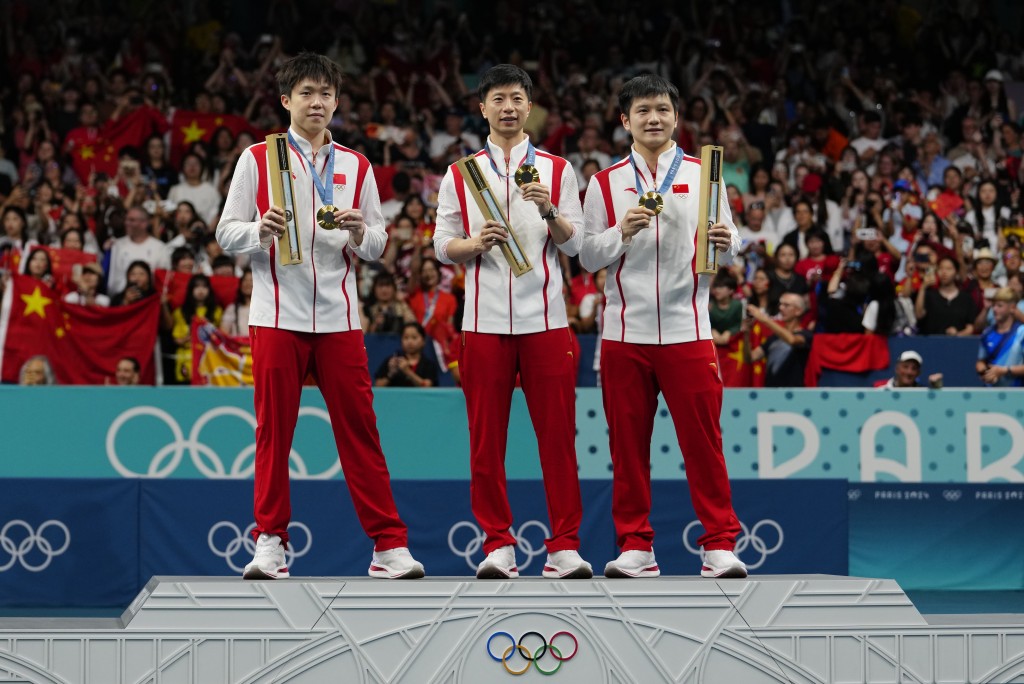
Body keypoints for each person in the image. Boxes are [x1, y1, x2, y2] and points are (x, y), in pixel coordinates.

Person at [216, 52, 424, 580]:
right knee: (274, 433)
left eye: (326, 94)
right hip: (276, 313)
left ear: (336, 102)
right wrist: (258, 230)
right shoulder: (257, 159)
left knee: (361, 432)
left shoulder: (356, 165)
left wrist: (359, 231)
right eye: (307, 93)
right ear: (286, 100)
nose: (317, 102)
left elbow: (378, 243)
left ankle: (388, 545)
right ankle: (269, 541)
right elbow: (225, 233)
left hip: (339, 318)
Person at [580, 74, 745, 579]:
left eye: (662, 110)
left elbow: (731, 240)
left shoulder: (704, 173)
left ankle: (719, 544)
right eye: (643, 111)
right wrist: (619, 233)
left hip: (688, 329)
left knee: (703, 444)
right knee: (627, 448)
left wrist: (727, 241)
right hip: (624, 333)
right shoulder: (605, 182)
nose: (654, 118)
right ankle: (636, 546)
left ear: (676, 117)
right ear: (625, 120)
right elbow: (587, 256)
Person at [433, 64, 592, 580]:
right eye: (498, 99)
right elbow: (442, 245)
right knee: (486, 442)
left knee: (557, 439)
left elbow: (577, 244)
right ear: (482, 108)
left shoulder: (557, 169)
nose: (508, 107)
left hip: (546, 321)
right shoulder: (461, 173)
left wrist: (549, 211)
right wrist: (474, 244)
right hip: (483, 324)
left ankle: (564, 546)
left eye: (517, 98)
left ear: (529, 107)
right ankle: (498, 544)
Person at [744, 293, 813, 387]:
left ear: (798, 311)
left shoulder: (806, 335)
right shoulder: (773, 338)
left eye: (786, 305)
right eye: (780, 304)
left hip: (793, 392)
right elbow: (750, 358)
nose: (781, 308)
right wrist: (746, 334)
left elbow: (792, 340)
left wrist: (764, 319)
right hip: (770, 391)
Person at [976, 287, 1024, 387]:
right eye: (993, 305)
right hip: (990, 392)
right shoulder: (987, 333)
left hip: (1017, 392)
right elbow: (981, 361)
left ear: (1012, 308)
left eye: (1000, 306)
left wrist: (1004, 371)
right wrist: (984, 371)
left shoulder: (1021, 333)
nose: (994, 309)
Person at [373, 322, 440, 387]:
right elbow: (377, 386)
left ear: (423, 341)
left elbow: (427, 387)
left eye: (414, 337)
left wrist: (407, 371)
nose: (409, 342)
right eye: (406, 337)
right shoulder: (392, 361)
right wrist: (390, 374)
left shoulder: (428, 365)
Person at [875, 350, 943, 389]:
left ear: (919, 372)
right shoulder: (880, 390)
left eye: (914, 368)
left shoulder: (923, 393)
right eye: (905, 367)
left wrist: (936, 387)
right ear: (897, 368)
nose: (909, 372)